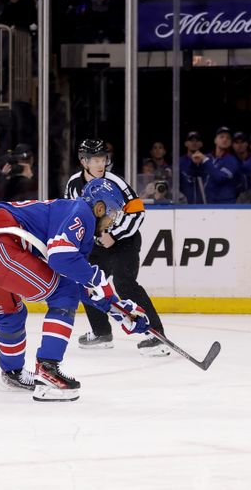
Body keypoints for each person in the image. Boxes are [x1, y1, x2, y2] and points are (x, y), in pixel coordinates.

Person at [0, 177, 150, 401]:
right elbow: (63, 261)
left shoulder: (70, 216)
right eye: (114, 214)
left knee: (10, 313)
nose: (113, 222)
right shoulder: (82, 213)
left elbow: (75, 279)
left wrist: (118, 310)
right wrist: (98, 280)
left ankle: (13, 374)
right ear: (100, 207)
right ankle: (48, 371)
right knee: (64, 293)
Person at [64, 139, 169, 356]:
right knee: (88, 282)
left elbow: (137, 211)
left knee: (125, 284)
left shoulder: (116, 182)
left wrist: (114, 234)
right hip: (97, 245)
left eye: (103, 158)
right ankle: (101, 332)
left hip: (124, 242)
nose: (100, 164)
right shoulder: (73, 184)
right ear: (84, 161)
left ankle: (156, 334)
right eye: (95, 159)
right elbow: (70, 214)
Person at [193, 127, 241, 204]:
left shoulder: (232, 160)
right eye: (221, 137)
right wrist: (194, 164)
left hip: (225, 205)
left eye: (228, 138)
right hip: (206, 203)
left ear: (230, 143)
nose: (225, 139)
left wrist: (205, 161)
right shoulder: (208, 157)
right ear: (215, 140)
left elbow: (220, 178)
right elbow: (193, 175)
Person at [179, 131, 205, 204]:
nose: (194, 143)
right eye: (191, 141)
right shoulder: (180, 162)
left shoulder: (206, 161)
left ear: (201, 144)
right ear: (186, 144)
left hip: (204, 206)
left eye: (197, 141)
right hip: (185, 206)